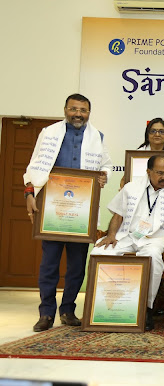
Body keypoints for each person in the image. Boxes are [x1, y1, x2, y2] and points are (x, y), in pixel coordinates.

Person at [24, 93, 112, 332]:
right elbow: (33, 167)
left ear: (88, 113)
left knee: (76, 266)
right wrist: (29, 194)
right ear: (65, 110)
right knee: (49, 264)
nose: (78, 114)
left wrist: (104, 176)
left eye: (83, 110)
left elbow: (106, 166)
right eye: (74, 109)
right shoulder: (48, 133)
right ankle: (46, 314)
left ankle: (68, 310)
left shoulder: (97, 137)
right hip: (52, 211)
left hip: (81, 214)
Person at [91, 155, 164, 331]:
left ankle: (145, 309)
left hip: (156, 239)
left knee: (151, 257)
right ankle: (103, 308)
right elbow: (118, 215)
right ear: (148, 172)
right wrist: (111, 235)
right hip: (129, 235)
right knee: (101, 252)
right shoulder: (131, 188)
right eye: (160, 173)